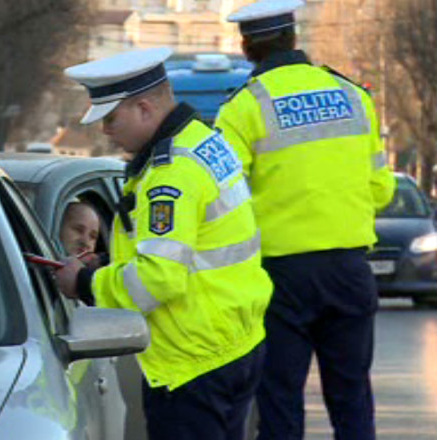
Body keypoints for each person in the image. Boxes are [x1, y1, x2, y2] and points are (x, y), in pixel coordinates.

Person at [55, 46, 273, 440]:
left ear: (143, 108)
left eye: (111, 117)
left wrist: (86, 284)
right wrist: (109, 263)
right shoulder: (204, 141)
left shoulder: (170, 175)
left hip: (194, 359)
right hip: (233, 340)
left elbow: (161, 278)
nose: (104, 130)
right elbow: (187, 247)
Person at [214, 1, 396, 439]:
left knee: (279, 398)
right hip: (350, 270)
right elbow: (382, 189)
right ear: (294, 39)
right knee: (352, 396)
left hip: (281, 275)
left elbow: (225, 200)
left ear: (247, 47)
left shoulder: (242, 108)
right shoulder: (353, 94)